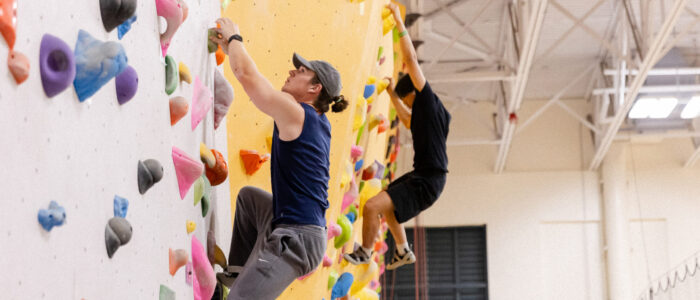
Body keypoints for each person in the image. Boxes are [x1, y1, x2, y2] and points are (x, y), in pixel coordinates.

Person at [209, 18, 348, 299]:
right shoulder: (318, 121)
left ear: (314, 89)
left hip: (297, 239)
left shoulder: (298, 113)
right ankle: (238, 274)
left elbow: (248, 77)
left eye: (300, 71)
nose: (291, 71)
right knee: (249, 200)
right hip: (299, 227)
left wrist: (235, 39)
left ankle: (243, 292)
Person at [344, 3, 451, 270]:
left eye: (407, 99)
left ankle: (365, 252)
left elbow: (411, 60)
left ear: (414, 94)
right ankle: (402, 250)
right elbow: (406, 119)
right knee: (389, 200)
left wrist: (398, 21)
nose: (408, 103)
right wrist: (392, 94)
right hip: (427, 177)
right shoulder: (434, 114)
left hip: (428, 180)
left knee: (371, 206)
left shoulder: (425, 98)